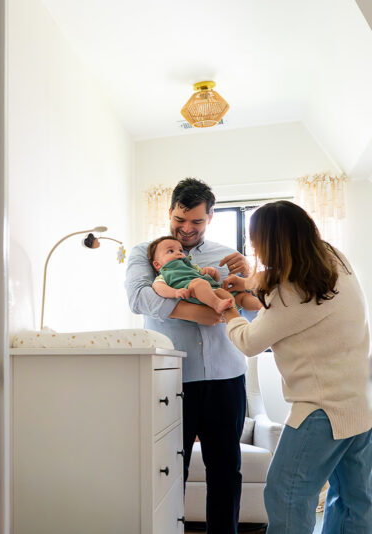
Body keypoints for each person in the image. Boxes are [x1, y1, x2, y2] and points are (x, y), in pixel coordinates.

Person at [222, 200, 372, 534]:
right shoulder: (333, 260)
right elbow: (281, 276)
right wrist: (248, 282)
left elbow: (249, 341)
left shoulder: (292, 293)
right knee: (353, 500)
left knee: (285, 494)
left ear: (272, 242)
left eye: (255, 240)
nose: (253, 246)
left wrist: (228, 311)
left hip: (322, 410)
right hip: (360, 404)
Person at [125, 178, 254, 533]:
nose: (186, 229)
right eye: (180, 219)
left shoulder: (227, 256)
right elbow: (140, 299)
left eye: (196, 222)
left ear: (210, 217)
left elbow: (252, 315)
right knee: (168, 468)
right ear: (169, 212)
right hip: (171, 378)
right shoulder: (146, 251)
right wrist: (203, 312)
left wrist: (251, 278)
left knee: (226, 469)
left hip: (227, 376)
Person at [147, 235, 262, 314]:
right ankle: (217, 304)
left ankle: (261, 306)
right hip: (192, 294)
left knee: (238, 295)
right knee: (198, 283)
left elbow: (213, 279)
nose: (178, 253)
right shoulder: (165, 273)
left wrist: (212, 273)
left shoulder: (192, 267)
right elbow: (159, 287)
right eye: (171, 251)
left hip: (212, 291)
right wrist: (175, 292)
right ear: (157, 265)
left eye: (180, 251)